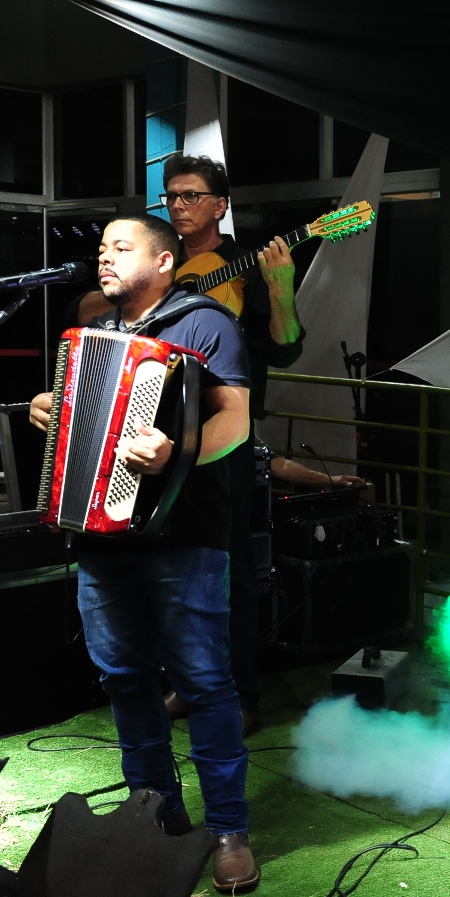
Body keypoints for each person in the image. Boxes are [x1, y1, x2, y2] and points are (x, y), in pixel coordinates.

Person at [28, 213, 261, 892]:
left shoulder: (204, 322)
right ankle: (154, 814)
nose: (105, 259)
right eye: (101, 249)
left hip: (184, 538)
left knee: (205, 685)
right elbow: (79, 422)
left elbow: (235, 420)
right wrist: (51, 408)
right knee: (126, 680)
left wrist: (175, 452)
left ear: (163, 261)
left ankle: (228, 830)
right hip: (102, 539)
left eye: (122, 248)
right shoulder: (94, 332)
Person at [161, 154, 304, 735]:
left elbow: (285, 349)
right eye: (171, 196)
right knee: (170, 563)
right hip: (163, 433)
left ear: (221, 205)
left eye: (191, 195)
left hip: (223, 438)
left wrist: (283, 290)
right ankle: (186, 682)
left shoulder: (243, 267)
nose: (178, 206)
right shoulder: (164, 267)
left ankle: (241, 692)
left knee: (229, 569)